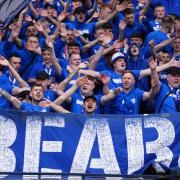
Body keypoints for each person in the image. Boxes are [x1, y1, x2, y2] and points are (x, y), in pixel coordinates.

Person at [0, 83, 69, 113]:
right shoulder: (25, 105)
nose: (38, 92)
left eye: (40, 91)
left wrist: (76, 85)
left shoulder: (48, 106)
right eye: (36, 90)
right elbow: (11, 98)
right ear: (30, 94)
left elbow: (63, 99)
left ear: (43, 94)